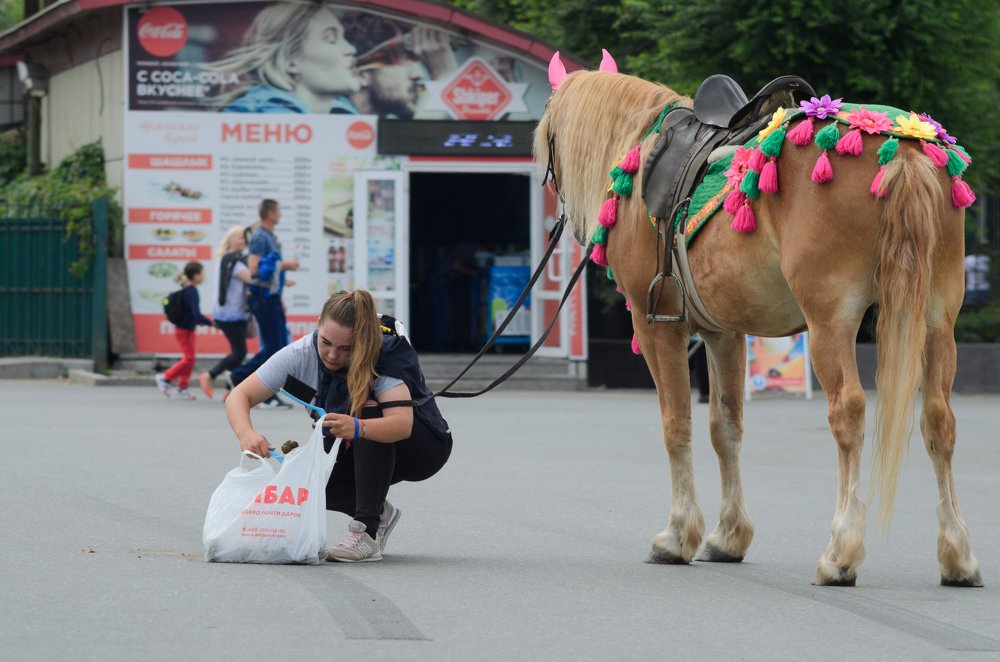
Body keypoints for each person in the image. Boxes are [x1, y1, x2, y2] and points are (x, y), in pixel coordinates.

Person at [225, 289, 453, 562]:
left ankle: (366, 532)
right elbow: (240, 395)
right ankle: (381, 514)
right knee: (303, 478)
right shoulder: (299, 354)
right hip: (358, 445)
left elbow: (401, 425)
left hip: (421, 449)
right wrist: (246, 433)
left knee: (367, 410)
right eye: (326, 342)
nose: (332, 355)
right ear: (319, 323)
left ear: (363, 341)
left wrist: (357, 427)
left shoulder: (381, 357)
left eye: (346, 348)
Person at [211, 3, 361, 114]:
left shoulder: (350, 117)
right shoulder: (252, 116)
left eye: (344, 38)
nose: (351, 49)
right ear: (290, 61)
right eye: (331, 39)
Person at [228, 199, 299, 408]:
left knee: (276, 347)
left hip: (271, 297)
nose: (280, 214)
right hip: (263, 298)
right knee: (273, 349)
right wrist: (285, 265)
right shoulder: (260, 236)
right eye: (278, 211)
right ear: (270, 213)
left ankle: (244, 379)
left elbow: (269, 271)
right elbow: (253, 269)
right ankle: (250, 384)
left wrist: (282, 284)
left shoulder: (267, 236)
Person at [341, 13, 457, 119]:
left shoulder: (375, 126)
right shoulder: (336, 116)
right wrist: (443, 78)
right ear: (361, 75)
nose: (418, 74)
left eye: (415, 61)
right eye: (402, 59)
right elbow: (417, 140)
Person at [198, 227, 254, 399]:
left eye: (244, 238)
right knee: (239, 352)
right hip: (231, 314)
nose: (242, 240)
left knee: (237, 352)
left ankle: (230, 389)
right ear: (229, 240)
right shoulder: (234, 263)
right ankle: (210, 375)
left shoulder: (224, 260)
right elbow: (252, 279)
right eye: (238, 237)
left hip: (227, 312)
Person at [156, 262, 213, 400]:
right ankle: (165, 377)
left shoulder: (188, 289)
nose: (203, 276)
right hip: (184, 330)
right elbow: (196, 315)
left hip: (188, 329)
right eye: (201, 273)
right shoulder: (191, 292)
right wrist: (211, 324)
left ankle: (183, 387)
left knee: (190, 359)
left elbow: (194, 315)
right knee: (189, 358)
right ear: (195, 276)